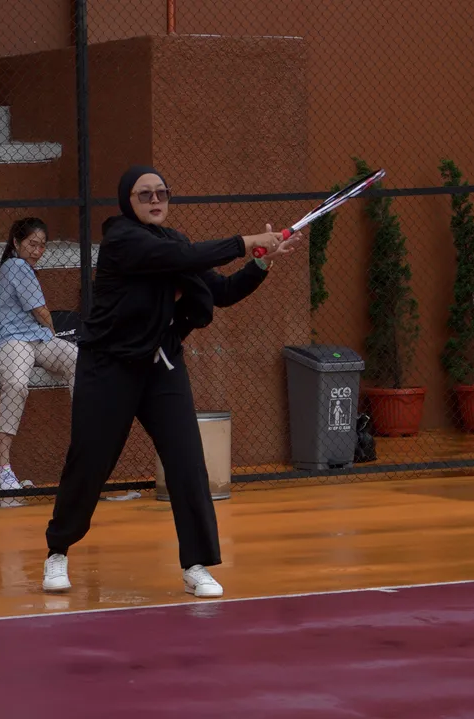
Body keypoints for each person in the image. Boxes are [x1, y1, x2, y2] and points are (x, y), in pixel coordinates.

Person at [42, 166, 302, 597]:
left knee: (186, 463)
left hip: (160, 364)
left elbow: (221, 292)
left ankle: (196, 564)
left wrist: (260, 263)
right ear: (127, 201)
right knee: (89, 462)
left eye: (162, 193)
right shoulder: (122, 240)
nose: (155, 200)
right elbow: (183, 259)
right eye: (144, 194)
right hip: (108, 367)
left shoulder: (175, 243)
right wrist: (245, 241)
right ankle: (58, 550)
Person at [0, 217, 78, 494]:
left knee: (80, 360)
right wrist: (54, 332)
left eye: (42, 246)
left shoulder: (21, 267)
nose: (37, 251)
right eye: (32, 244)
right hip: (11, 339)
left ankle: (86, 445)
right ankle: (3, 470)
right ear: (16, 243)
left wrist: (51, 337)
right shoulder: (15, 265)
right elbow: (41, 311)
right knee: (16, 384)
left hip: (36, 338)